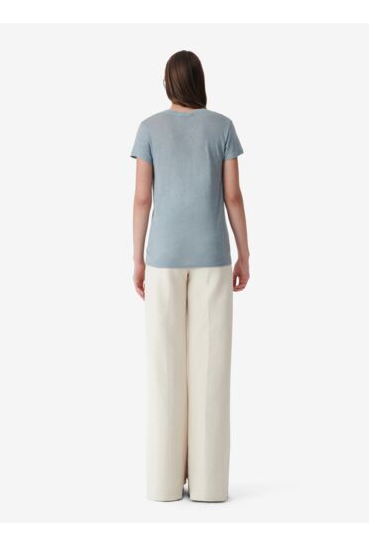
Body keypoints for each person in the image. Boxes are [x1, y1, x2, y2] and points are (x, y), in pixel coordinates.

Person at [130, 50, 250, 502]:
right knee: (210, 370)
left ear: (168, 83)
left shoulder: (149, 129)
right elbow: (233, 196)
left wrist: (138, 260)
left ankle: (163, 485)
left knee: (165, 370)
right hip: (213, 258)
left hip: (162, 259)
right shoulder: (222, 127)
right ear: (200, 81)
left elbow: (142, 199)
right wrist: (244, 254)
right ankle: (209, 486)